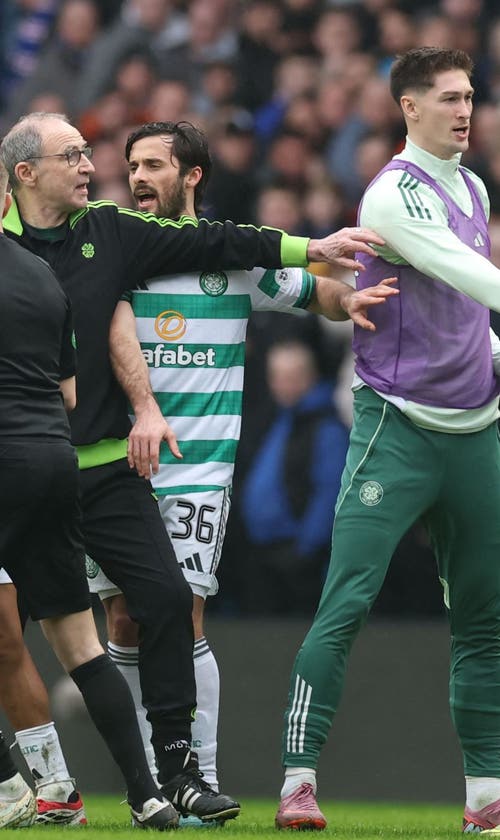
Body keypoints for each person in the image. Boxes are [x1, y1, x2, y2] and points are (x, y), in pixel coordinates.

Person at [0, 110, 382, 825]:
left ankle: (176, 773)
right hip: (26, 466)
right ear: (26, 174)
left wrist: (312, 249)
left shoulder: (109, 233)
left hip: (128, 465)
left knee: (170, 605)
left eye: (96, 155)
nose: (99, 168)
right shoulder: (6, 251)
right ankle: (57, 785)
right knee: (73, 632)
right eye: (76, 156)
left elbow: (224, 241)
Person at [274, 46, 500, 834]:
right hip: (396, 426)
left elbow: (475, 317)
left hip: (477, 429)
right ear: (408, 107)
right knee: (347, 602)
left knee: (484, 618)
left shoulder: (470, 184)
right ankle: (298, 782)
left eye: (469, 95)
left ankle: (484, 799)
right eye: (447, 98)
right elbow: (462, 273)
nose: (465, 110)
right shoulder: (391, 195)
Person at [0, 159, 177, 831]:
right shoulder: (41, 275)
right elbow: (69, 390)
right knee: (80, 642)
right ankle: (142, 793)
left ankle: (12, 786)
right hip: (54, 461)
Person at [241, 340, 350, 616]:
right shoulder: (278, 417)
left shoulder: (325, 426)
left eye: (291, 377)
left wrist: (305, 550)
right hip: (263, 554)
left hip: (297, 559)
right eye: (275, 377)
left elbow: (330, 492)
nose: (281, 385)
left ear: (310, 377)